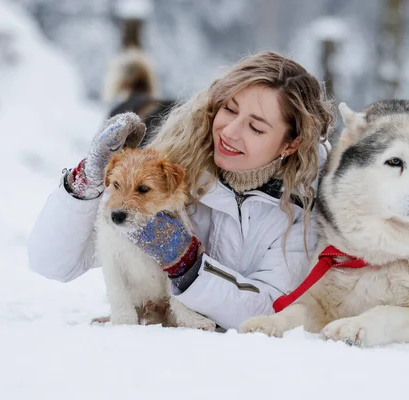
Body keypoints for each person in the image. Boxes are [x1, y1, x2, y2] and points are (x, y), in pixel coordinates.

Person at [27, 51, 334, 330]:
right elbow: (53, 263)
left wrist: (188, 265)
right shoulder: (171, 166)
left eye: (255, 128)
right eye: (229, 109)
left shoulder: (306, 206)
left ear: (290, 144)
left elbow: (271, 309)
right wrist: (87, 182)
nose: (229, 132)